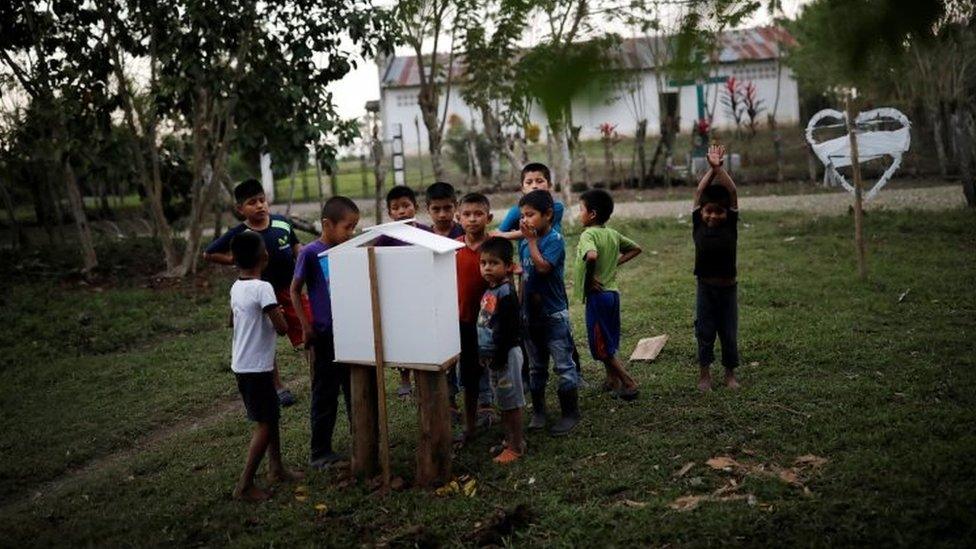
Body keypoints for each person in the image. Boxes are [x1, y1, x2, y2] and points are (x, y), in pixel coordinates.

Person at [205, 178, 306, 407]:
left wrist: (305, 264)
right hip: (261, 298)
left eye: (262, 200)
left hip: (291, 291)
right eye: (252, 202)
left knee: (308, 334)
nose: (260, 206)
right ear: (241, 209)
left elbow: (297, 248)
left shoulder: (282, 223)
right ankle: (278, 387)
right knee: (266, 343)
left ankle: (319, 376)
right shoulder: (240, 233)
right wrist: (233, 259)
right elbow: (209, 253)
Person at [227, 231, 303, 501]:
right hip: (256, 368)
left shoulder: (236, 286)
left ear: (234, 261)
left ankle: (277, 468)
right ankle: (245, 484)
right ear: (265, 256)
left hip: (243, 364)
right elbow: (282, 329)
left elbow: (231, 321)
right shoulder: (263, 288)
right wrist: (280, 314)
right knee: (265, 423)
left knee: (271, 417)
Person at [289, 196, 360, 469]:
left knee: (354, 389)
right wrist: (306, 326)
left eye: (354, 227)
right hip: (324, 335)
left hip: (349, 332)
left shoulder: (347, 249)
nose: (351, 233)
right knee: (325, 393)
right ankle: (320, 451)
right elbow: (296, 290)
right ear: (327, 224)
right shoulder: (309, 252)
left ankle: (363, 439)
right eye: (347, 227)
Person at [518, 190, 581, 436]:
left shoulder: (554, 240)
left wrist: (532, 242)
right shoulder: (524, 243)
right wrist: (519, 307)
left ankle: (570, 412)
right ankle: (539, 412)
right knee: (536, 367)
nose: (524, 220)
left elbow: (543, 268)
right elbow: (525, 277)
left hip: (553, 314)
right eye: (522, 215)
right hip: (530, 316)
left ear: (548, 215)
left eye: (530, 215)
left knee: (564, 365)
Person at [575, 189, 642, 400]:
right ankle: (611, 380)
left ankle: (628, 383)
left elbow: (592, 255)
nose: (579, 214)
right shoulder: (612, 234)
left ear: (592, 214)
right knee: (608, 337)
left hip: (597, 296)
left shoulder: (588, 234)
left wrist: (589, 278)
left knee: (601, 345)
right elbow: (636, 248)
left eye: (580, 210)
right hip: (612, 295)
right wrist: (614, 263)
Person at [373, 185, 431, 397]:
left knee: (420, 333)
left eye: (406, 206)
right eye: (395, 208)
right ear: (389, 213)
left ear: (415, 207)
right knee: (401, 336)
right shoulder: (387, 236)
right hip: (397, 295)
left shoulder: (426, 232)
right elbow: (374, 255)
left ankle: (421, 373)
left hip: (421, 292)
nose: (401, 211)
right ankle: (404, 378)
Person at [692, 144, 741, 392]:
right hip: (705, 288)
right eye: (708, 211)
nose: (713, 216)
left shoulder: (730, 225)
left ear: (727, 213)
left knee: (729, 333)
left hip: (728, 290)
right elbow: (700, 191)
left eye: (719, 212)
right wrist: (711, 172)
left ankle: (730, 375)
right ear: (701, 211)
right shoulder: (697, 225)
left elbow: (732, 191)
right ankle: (704, 376)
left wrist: (720, 169)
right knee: (705, 331)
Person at [477, 236, 525, 464]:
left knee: (511, 403)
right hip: (494, 357)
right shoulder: (491, 290)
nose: (487, 268)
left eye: (493, 263)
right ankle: (509, 440)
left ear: (508, 266)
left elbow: (509, 330)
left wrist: (497, 357)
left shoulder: (506, 294)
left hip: (505, 356)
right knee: (504, 401)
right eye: (483, 263)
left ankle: (516, 447)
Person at [454, 193, 495, 444]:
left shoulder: (494, 247)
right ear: (459, 218)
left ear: (488, 218)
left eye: (478, 214)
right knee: (469, 375)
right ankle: (470, 426)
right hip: (463, 321)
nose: (472, 219)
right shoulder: (452, 248)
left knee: (498, 370)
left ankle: (497, 413)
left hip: (491, 323)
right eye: (467, 214)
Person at [494, 163, 565, 239]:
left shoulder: (556, 207)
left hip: (551, 249)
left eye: (539, 181)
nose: (534, 186)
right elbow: (498, 233)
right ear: (523, 188)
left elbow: (537, 230)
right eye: (529, 182)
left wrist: (509, 235)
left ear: (549, 185)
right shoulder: (516, 211)